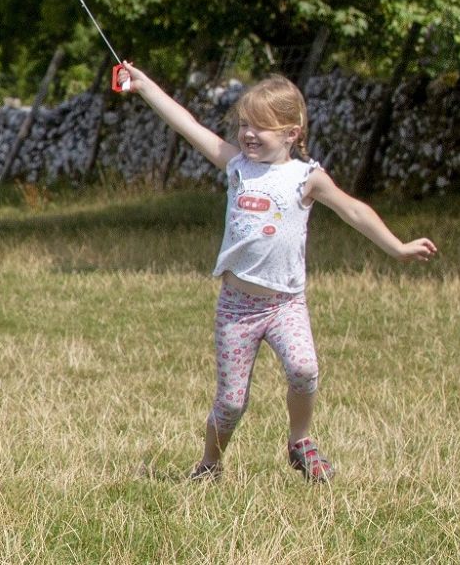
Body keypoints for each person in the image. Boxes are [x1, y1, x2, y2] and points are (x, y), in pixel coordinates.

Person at [115, 65, 438, 482]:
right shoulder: (236, 167)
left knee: (304, 369)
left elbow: (354, 210)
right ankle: (210, 464)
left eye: (260, 127)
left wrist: (397, 247)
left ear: (291, 132)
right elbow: (187, 124)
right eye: (244, 124)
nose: (248, 134)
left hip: (285, 303)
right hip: (237, 306)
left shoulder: (307, 177)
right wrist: (144, 86)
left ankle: (300, 441)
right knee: (231, 402)